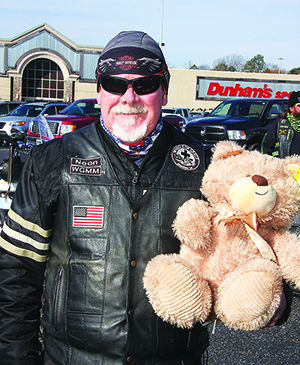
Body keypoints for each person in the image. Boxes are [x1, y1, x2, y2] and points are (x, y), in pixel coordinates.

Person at [0, 31, 292, 365]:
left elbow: (253, 246)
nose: (128, 97)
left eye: (144, 85)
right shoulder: (51, 161)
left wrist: (273, 298)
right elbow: (17, 271)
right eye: (114, 84)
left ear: (163, 92)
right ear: (99, 91)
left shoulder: (203, 167)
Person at [262, 91, 300, 157]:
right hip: (284, 165)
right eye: (299, 105)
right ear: (291, 108)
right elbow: (266, 146)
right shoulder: (279, 125)